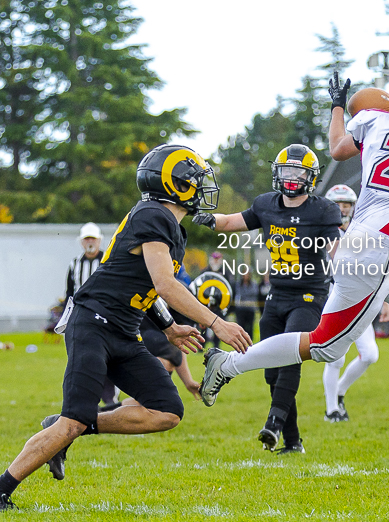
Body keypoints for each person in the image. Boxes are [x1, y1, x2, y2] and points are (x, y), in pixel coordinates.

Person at [198, 60, 389, 444]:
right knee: (324, 346)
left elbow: (336, 148)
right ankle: (227, 365)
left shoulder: (373, 123)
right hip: (375, 252)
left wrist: (339, 106)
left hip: (372, 249)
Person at [0, 144, 251, 512]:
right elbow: (165, 284)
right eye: (195, 180)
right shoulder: (154, 215)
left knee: (167, 410)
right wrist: (214, 322)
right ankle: (5, 486)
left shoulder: (167, 225)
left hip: (124, 329)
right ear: (175, 184)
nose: (201, 187)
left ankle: (73, 425)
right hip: (93, 324)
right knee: (71, 423)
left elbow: (145, 287)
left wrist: (167, 328)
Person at [193, 144, 341, 455]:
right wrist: (206, 218)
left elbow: (335, 246)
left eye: (297, 172)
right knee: (271, 370)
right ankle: (292, 441)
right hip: (277, 295)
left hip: (309, 294)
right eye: (286, 171)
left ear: (309, 177)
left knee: (289, 355)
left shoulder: (323, 210)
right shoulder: (266, 204)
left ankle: (273, 424)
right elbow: (234, 221)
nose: (290, 177)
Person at [320, 184, 389, 423]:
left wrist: (383, 300)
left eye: (347, 205)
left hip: (360, 301)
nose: (342, 209)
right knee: (336, 357)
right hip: (333, 299)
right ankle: (331, 410)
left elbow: (374, 268)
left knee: (370, 354)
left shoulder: (361, 232)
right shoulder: (322, 233)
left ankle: (339, 392)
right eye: (338, 205)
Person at [65, 223, 119, 407]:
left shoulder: (109, 260)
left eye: (93, 238)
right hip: (82, 318)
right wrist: (67, 319)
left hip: (106, 317)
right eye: (87, 238)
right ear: (81, 242)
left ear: (99, 241)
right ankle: (88, 399)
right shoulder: (74, 264)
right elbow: (69, 294)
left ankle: (110, 397)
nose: (90, 242)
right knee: (83, 359)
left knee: (107, 358)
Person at [201, 252, 226, 349]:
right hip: (205, 302)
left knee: (218, 324)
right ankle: (202, 344)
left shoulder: (225, 272)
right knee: (203, 324)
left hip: (218, 304)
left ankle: (216, 345)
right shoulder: (205, 271)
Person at [233, 271, 260, 340]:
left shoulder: (253, 284)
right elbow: (238, 293)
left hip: (250, 309)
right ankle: (241, 340)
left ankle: (250, 340)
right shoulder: (238, 284)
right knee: (241, 326)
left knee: (250, 326)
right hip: (241, 309)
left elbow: (254, 293)